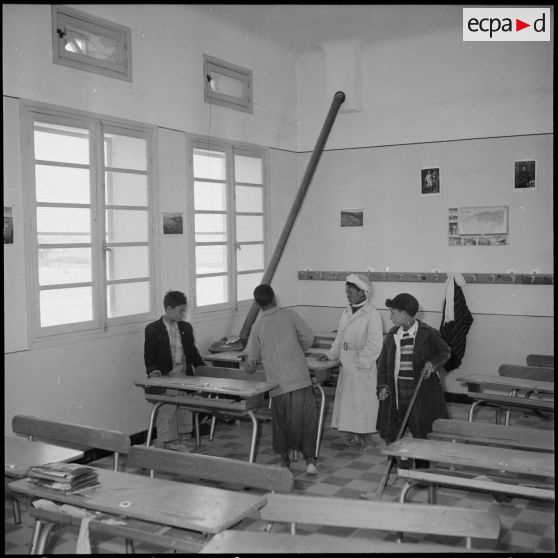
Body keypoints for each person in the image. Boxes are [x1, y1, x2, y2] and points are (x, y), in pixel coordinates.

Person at [243, 284, 319, 474]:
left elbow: (252, 360)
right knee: (307, 420)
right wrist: (296, 348)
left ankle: (285, 463)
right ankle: (310, 461)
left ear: (257, 304)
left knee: (282, 423)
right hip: (300, 377)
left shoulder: (258, 326)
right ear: (274, 298)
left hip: (278, 383)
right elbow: (309, 338)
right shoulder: (290, 315)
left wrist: (250, 365)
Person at [375, 293, 451, 467]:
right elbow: (383, 364)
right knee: (394, 430)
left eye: (393, 313)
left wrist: (432, 363)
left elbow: (445, 352)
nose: (390, 317)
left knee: (420, 429)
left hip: (419, 390)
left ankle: (422, 469)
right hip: (396, 389)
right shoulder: (392, 335)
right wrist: (383, 386)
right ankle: (394, 466)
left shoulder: (429, 333)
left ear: (405, 313)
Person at [317, 274, 383, 450]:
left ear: (363, 293)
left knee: (363, 402)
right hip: (347, 364)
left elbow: (375, 344)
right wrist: (331, 354)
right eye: (346, 292)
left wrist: (360, 362)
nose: (348, 295)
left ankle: (367, 437)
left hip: (363, 366)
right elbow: (339, 338)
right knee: (348, 402)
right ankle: (352, 433)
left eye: (351, 292)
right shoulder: (346, 312)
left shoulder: (372, 314)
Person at [144, 290, 206, 451]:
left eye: (184, 310)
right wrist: (153, 371)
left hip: (183, 373)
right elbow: (149, 355)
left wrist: (203, 369)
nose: (183, 314)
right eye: (181, 310)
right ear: (169, 309)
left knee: (183, 407)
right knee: (168, 407)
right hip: (166, 376)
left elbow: (191, 351)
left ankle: (177, 440)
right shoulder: (153, 329)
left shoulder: (185, 327)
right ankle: (165, 441)